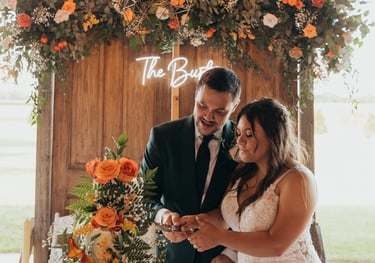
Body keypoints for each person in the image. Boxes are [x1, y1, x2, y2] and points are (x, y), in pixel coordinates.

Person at [186, 97, 322, 263]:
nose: (240, 141)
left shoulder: (298, 179)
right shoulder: (243, 170)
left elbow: (277, 245)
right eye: (239, 133)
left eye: (249, 134)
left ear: (273, 135)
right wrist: (196, 221)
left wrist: (219, 237)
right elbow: (226, 218)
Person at [141, 67, 241, 263]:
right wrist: (164, 217)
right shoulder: (162, 138)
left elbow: (250, 209)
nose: (208, 116)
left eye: (219, 111)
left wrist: (230, 255)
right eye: (202, 106)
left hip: (221, 258)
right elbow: (144, 198)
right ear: (195, 96)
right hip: (172, 256)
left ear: (235, 106)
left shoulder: (243, 143)